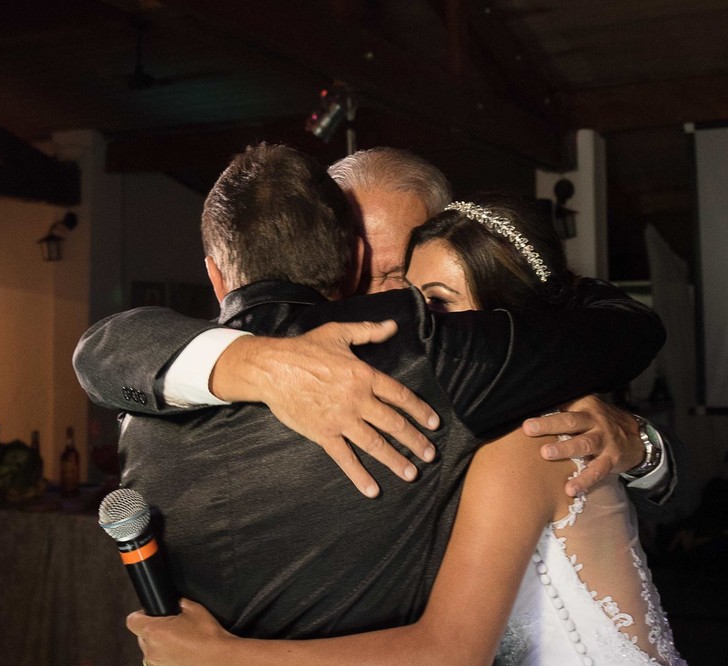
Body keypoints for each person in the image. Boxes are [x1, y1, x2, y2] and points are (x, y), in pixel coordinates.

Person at [128, 195, 728, 666]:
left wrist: (219, 659)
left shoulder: (527, 432)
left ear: (509, 318)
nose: (417, 329)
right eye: (411, 300)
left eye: (436, 303)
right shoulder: (455, 409)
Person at [83, 146, 681, 511]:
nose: (369, 300)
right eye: (349, 272)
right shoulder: (279, 344)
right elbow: (109, 352)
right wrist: (254, 366)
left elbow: (625, 332)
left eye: (396, 277)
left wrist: (641, 447)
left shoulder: (484, 351)